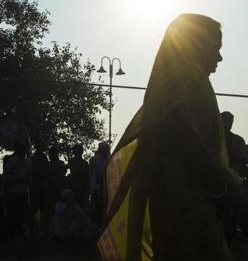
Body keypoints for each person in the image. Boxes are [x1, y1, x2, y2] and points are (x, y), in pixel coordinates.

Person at [97, 14, 240, 261]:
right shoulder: (187, 75)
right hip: (188, 198)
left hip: (172, 198)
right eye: (215, 48)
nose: (219, 58)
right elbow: (180, 132)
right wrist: (215, 184)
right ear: (196, 43)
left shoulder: (174, 79)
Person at [220, 111, 247, 248]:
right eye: (226, 121)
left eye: (231, 121)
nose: (229, 124)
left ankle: (230, 237)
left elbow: (243, 160)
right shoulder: (215, 139)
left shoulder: (237, 140)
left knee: (233, 211)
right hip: (220, 181)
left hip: (233, 180)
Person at [3, 141, 32, 235]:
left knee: (23, 211)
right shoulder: (12, 161)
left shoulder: (28, 162)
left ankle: (20, 229)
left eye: (24, 150)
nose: (23, 152)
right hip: (14, 190)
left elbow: (30, 176)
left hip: (24, 190)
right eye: (21, 150)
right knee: (13, 210)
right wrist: (15, 179)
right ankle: (11, 230)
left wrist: (26, 179)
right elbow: (6, 175)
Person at [89, 141, 110, 225]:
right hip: (97, 189)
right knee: (97, 211)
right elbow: (91, 174)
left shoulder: (110, 158)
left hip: (107, 188)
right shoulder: (94, 160)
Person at [67, 145, 90, 209]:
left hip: (82, 189)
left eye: (79, 150)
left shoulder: (85, 163)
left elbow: (87, 177)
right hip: (74, 188)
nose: (78, 152)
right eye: (76, 150)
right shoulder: (72, 161)